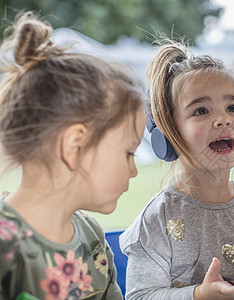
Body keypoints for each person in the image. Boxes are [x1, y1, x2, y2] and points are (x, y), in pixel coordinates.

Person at [119, 40, 234, 300]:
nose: (224, 119)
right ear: (168, 135)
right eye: (201, 111)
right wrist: (200, 295)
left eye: (233, 107)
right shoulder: (157, 219)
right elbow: (139, 296)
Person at [0, 12, 146, 300]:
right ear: (74, 146)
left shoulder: (93, 237)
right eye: (128, 153)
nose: (134, 170)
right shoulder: (6, 246)